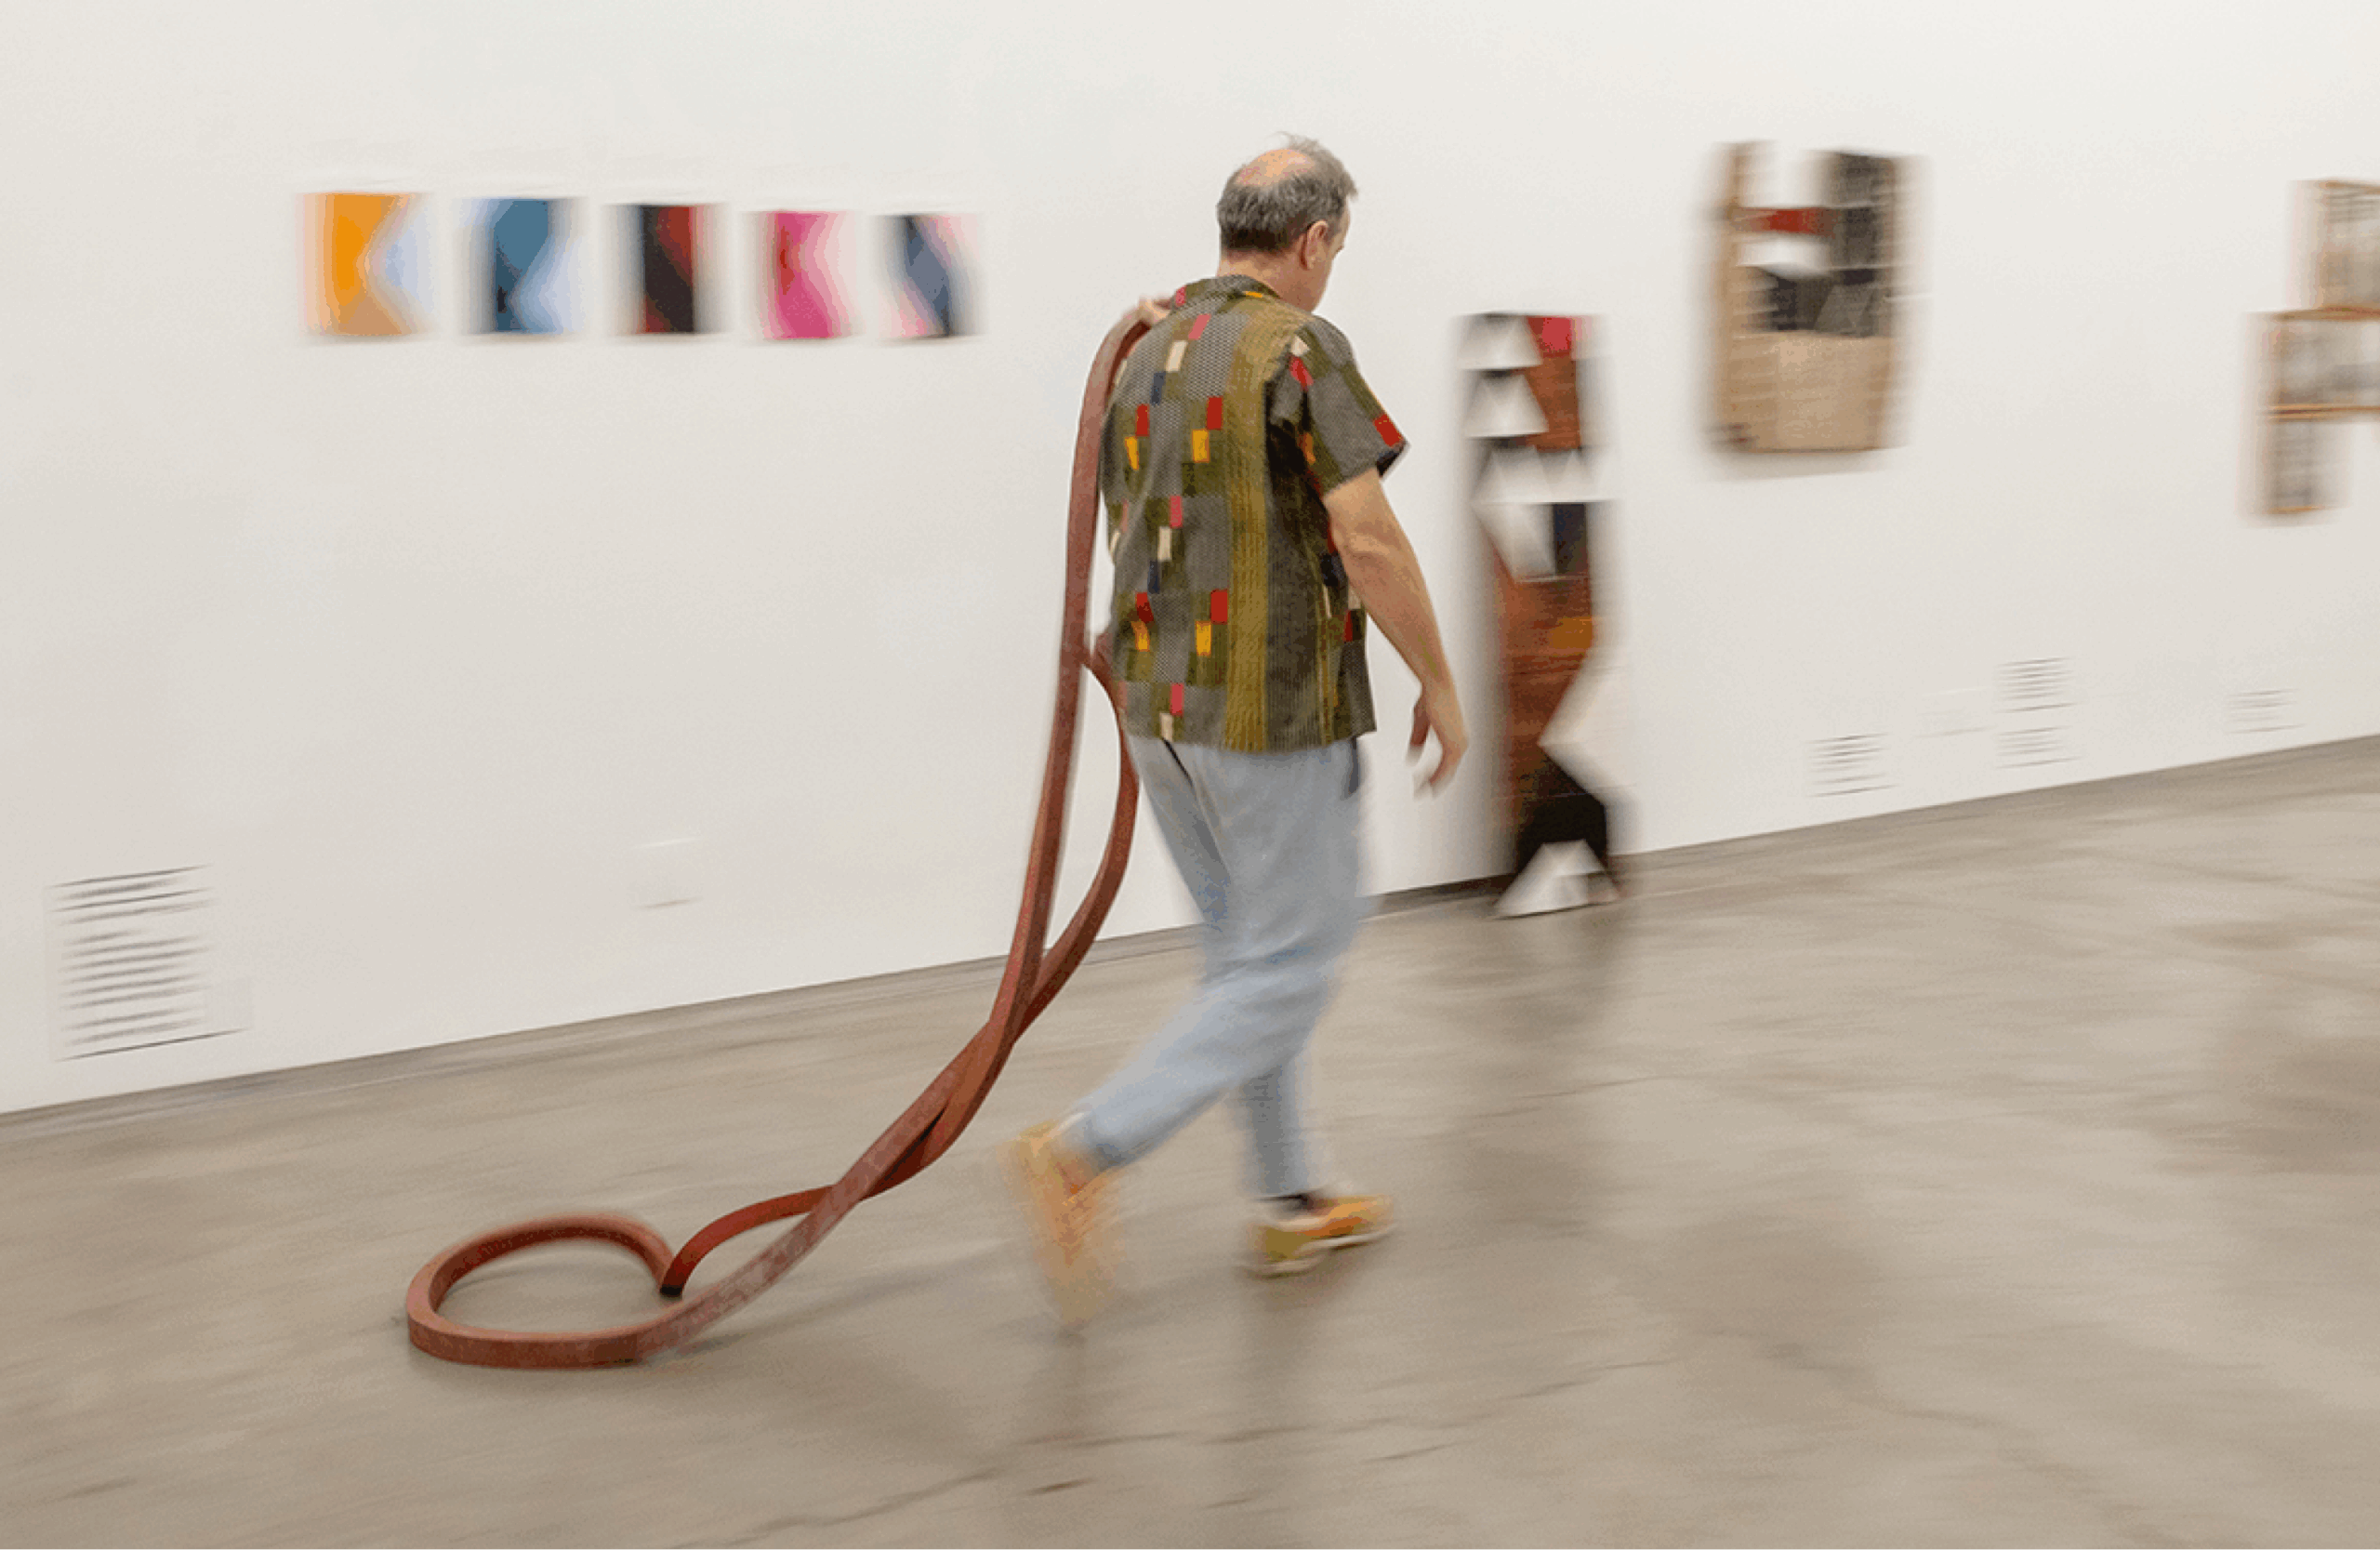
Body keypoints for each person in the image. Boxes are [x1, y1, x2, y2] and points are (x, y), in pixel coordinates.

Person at [1004, 137, 1465, 1323]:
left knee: (1244, 958)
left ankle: (1291, 1195)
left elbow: (1129, 517)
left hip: (1160, 709)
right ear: (1312, 240)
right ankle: (1085, 1147)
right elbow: (1366, 538)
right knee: (1298, 954)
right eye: (1335, 249)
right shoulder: (1297, 346)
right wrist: (1439, 680)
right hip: (1267, 708)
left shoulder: (1144, 345)